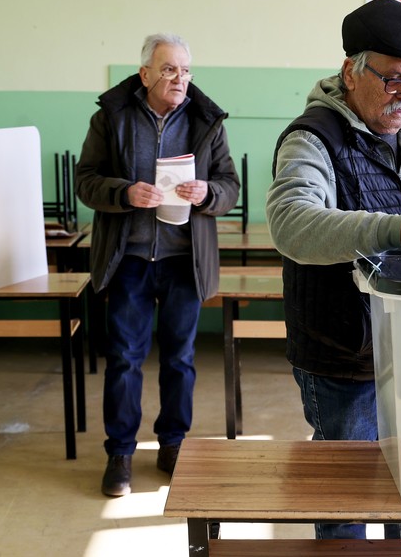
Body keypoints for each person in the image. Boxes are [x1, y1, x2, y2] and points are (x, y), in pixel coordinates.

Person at [265, 0, 401, 540]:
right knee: (346, 497)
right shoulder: (313, 138)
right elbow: (291, 224)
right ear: (351, 71)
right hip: (343, 354)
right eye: (394, 79)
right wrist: (396, 226)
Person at [75, 33, 240, 497]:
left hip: (183, 260)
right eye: (169, 70)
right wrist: (123, 193)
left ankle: (172, 445)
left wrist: (209, 192)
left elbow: (230, 184)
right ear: (145, 74)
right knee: (124, 358)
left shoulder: (207, 122)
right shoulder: (111, 117)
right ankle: (120, 454)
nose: (179, 79)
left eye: (185, 71)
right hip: (129, 258)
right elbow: (85, 181)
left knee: (180, 359)